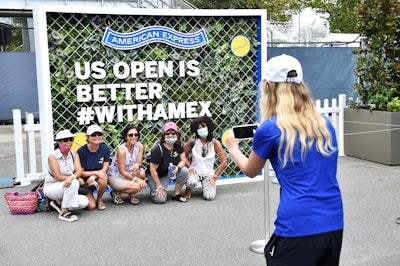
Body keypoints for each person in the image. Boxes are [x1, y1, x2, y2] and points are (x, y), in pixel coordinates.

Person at [225, 54, 344, 265]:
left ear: (269, 86)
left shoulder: (270, 128)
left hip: (297, 226)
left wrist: (233, 148)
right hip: (333, 223)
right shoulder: (324, 124)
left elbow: (250, 170)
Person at [43, 129, 89, 222]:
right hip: (53, 187)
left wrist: (72, 177)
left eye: (71, 139)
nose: (69, 142)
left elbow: (79, 171)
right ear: (59, 142)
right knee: (74, 183)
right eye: (65, 140)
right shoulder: (53, 156)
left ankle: (59, 203)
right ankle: (63, 211)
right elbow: (58, 177)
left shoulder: (73, 153)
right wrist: (73, 179)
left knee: (85, 202)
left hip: (68, 186)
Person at [183, 116, 227, 200]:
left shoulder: (215, 143)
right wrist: (190, 167)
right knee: (192, 181)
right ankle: (188, 189)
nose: (201, 129)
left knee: (209, 197)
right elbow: (182, 156)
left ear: (208, 127)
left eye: (203, 126)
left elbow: (224, 162)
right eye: (198, 128)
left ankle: (206, 186)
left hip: (209, 173)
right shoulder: (192, 142)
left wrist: (215, 177)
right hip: (195, 171)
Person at [147, 121, 189, 203]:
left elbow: (183, 160)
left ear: (177, 134)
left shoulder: (178, 145)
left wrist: (178, 167)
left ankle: (176, 194)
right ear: (163, 135)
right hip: (157, 175)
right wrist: (159, 186)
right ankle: (154, 190)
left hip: (169, 172)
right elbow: (152, 169)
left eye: (173, 133)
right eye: (167, 133)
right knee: (160, 200)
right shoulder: (158, 148)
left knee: (184, 170)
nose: (170, 135)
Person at [107, 125, 147, 205]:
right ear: (125, 137)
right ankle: (116, 192)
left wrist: (136, 165)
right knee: (137, 187)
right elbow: (122, 172)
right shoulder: (122, 150)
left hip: (130, 172)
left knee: (142, 172)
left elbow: (139, 162)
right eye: (130, 135)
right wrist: (137, 180)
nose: (134, 137)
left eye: (136, 135)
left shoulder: (140, 146)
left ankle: (132, 194)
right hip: (117, 175)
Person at [77, 124, 111, 210]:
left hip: (97, 177)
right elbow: (81, 172)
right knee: (91, 206)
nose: (97, 136)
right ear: (87, 137)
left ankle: (99, 199)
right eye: (93, 134)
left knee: (103, 180)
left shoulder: (105, 149)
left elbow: (105, 168)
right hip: (84, 181)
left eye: (99, 134)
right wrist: (95, 173)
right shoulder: (81, 151)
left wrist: (94, 176)